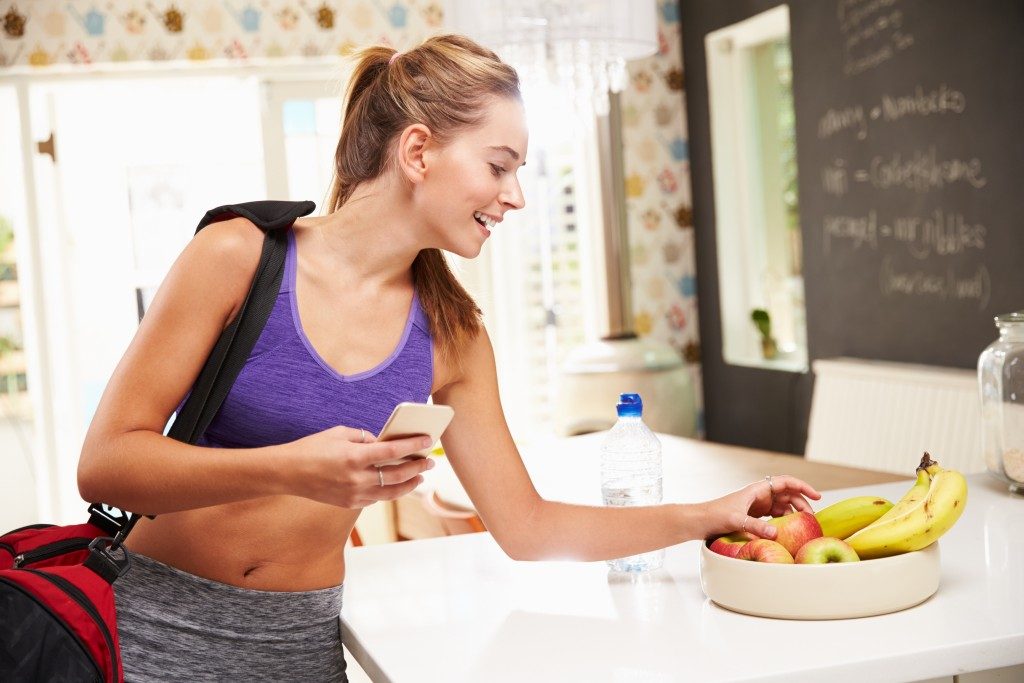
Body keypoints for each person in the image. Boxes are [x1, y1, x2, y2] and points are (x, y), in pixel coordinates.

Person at [77, 34, 821, 681]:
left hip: (297, 646)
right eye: (500, 166)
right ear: (418, 151)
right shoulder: (237, 256)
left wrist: (707, 515)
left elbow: (527, 527)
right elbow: (106, 462)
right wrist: (291, 466)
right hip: (152, 630)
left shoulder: (452, 333)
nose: (516, 195)